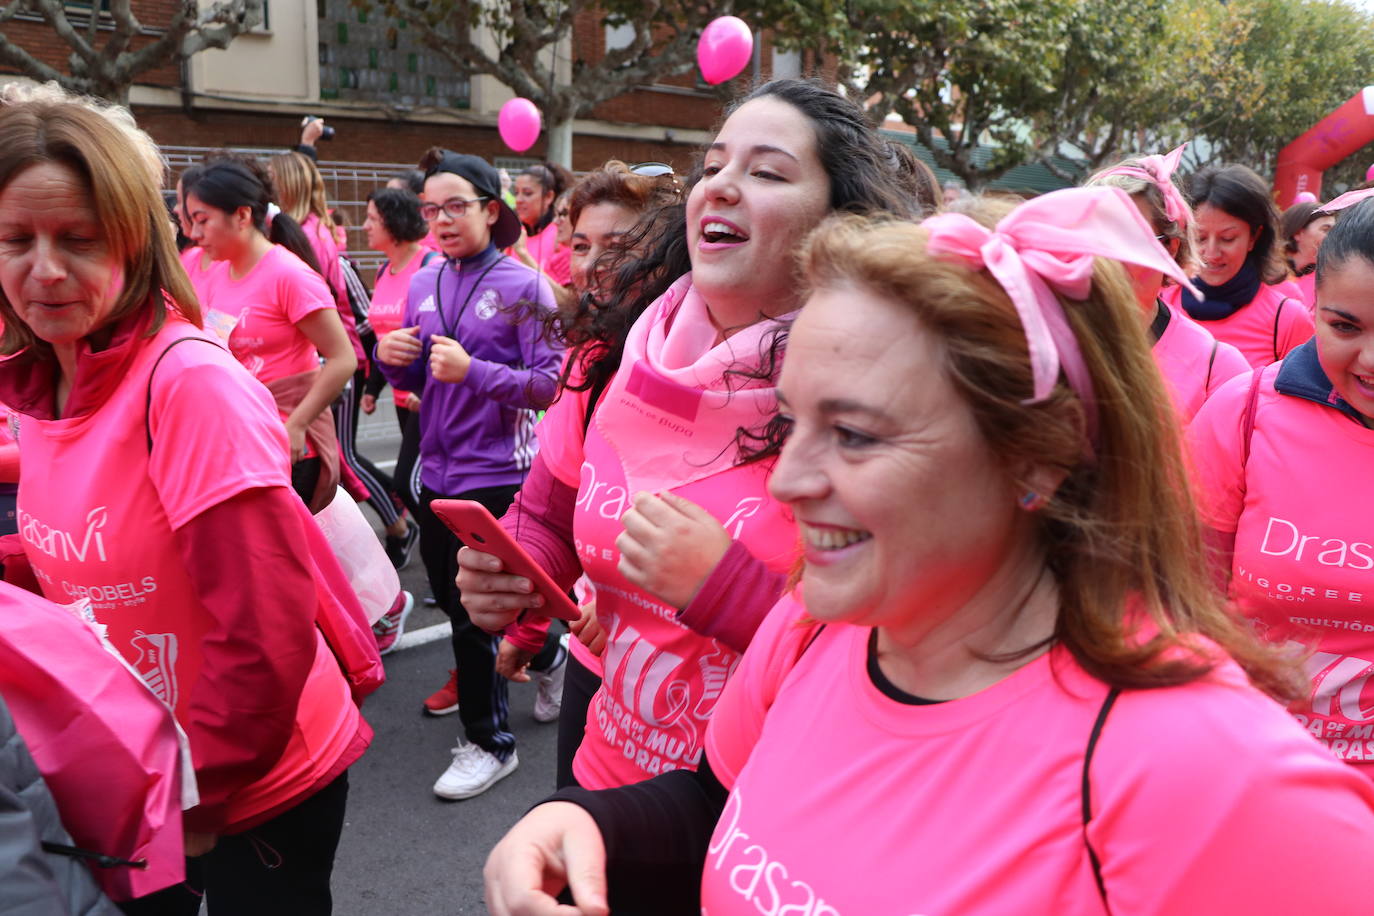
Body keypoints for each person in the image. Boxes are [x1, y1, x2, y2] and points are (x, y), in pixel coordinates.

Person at [483, 189, 1374, 916]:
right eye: (794, 421)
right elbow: (716, 805)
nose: (788, 483)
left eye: (858, 436)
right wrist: (584, 827)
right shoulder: (816, 624)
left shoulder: (1212, 782)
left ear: (1040, 457)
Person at [458, 78, 915, 794]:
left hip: (760, 792)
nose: (723, 187)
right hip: (600, 736)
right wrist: (517, 571)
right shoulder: (614, 356)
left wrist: (723, 589)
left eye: (765, 172)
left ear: (841, 220)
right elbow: (546, 510)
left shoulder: (879, 402)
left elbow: (897, 666)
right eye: (712, 168)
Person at [0, 84, 378, 915]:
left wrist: (197, 791)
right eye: (14, 239)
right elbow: (74, 553)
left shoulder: (189, 384)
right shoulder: (45, 376)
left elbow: (264, 625)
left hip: (253, 773)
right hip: (140, 763)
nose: (45, 268)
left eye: (79, 238)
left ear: (135, 241)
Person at [376, 149, 564, 800]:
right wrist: (393, 360)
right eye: (431, 209)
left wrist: (474, 372)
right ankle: (549, 658)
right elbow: (419, 374)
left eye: (456, 206)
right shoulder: (425, 280)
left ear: (491, 209)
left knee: (476, 619)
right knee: (464, 606)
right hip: (438, 472)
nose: (442, 220)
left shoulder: (525, 287)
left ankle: (488, 744)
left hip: (501, 475)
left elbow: (548, 386)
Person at [1188, 193, 1374, 779]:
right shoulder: (1241, 415)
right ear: (1312, 306)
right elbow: (1184, 608)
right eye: (1345, 326)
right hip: (1244, 768)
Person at [181, 157, 356, 511]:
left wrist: (296, 424)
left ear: (242, 216)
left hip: (288, 443)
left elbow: (343, 359)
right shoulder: (217, 272)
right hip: (243, 435)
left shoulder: (289, 275)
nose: (193, 234)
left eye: (202, 221)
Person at [270, 151, 414, 548]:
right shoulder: (303, 229)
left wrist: (371, 381)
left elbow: (336, 306)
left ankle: (399, 524)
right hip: (323, 362)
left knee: (344, 459)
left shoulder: (312, 235)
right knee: (343, 462)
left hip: (335, 360)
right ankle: (399, 511)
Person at [1087, 148, 1249, 421]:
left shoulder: (1216, 368)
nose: (1108, 258)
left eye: (1129, 241)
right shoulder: (1041, 341)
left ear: (1170, 248)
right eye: (1093, 239)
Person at [1162, 164, 1313, 368]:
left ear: (1254, 237)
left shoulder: (1287, 319)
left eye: (1228, 238)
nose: (1211, 253)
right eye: (1200, 238)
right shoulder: (1161, 301)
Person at [509, 162, 574, 287]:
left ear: (549, 196)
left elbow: (565, 298)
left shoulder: (561, 234)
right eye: (516, 192)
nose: (519, 200)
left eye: (527, 193)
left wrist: (523, 254)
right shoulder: (516, 233)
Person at [1279, 199, 1335, 309]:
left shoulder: (1328, 279)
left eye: (1335, 231)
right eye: (1326, 230)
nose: (1334, 237)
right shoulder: (1265, 273)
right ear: (1298, 233)